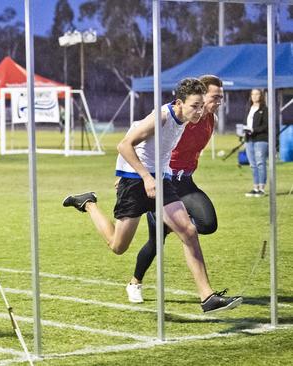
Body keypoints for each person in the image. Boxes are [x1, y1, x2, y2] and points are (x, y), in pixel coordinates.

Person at [62, 77, 242, 314]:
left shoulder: (187, 120)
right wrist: (146, 177)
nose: (200, 111)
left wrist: (161, 176)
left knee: (188, 231)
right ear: (179, 102)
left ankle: (207, 297)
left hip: (162, 181)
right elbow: (124, 145)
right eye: (195, 105)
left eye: (201, 105)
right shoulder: (163, 116)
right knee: (118, 246)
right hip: (136, 181)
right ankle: (88, 203)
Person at [125, 75, 224, 304]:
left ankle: (179, 226)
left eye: (221, 97)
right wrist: (130, 175)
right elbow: (136, 138)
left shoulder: (211, 120)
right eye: (214, 97)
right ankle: (134, 282)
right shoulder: (176, 116)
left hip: (186, 183)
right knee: (154, 242)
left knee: (208, 224)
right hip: (164, 182)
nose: (218, 101)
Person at [243, 89, 269, 197]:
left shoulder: (264, 109)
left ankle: (262, 189)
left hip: (260, 139)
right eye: (253, 94)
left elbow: (266, 125)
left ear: (261, 96)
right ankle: (255, 187)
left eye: (257, 94)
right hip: (249, 139)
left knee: (260, 163)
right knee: (253, 165)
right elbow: (246, 122)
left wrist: (254, 130)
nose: (254, 96)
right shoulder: (249, 108)